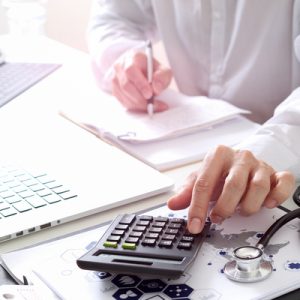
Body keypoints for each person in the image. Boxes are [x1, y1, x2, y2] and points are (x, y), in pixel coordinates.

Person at [87, 0, 300, 234]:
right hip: (188, 151)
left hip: (282, 166)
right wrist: (123, 57)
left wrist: (267, 151)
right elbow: (114, 16)